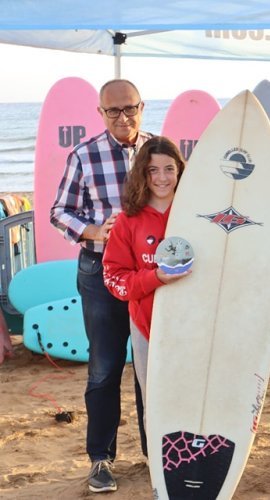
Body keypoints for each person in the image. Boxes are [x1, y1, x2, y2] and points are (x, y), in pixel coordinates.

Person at [102, 136, 270, 417]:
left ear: (181, 171)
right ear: (142, 173)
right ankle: (156, 460)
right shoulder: (128, 221)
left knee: (201, 403)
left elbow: (243, 245)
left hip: (203, 326)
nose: (162, 178)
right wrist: (155, 277)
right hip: (148, 326)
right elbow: (114, 280)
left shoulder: (205, 213)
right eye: (153, 170)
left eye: (169, 169)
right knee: (156, 405)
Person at [50, 79, 152, 493]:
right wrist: (93, 230)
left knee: (153, 368)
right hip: (100, 271)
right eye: (114, 111)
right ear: (100, 113)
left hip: (152, 275)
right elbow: (59, 211)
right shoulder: (84, 154)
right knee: (105, 368)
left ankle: (157, 450)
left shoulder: (158, 152)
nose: (124, 118)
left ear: (142, 107)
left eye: (130, 108)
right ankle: (101, 460)